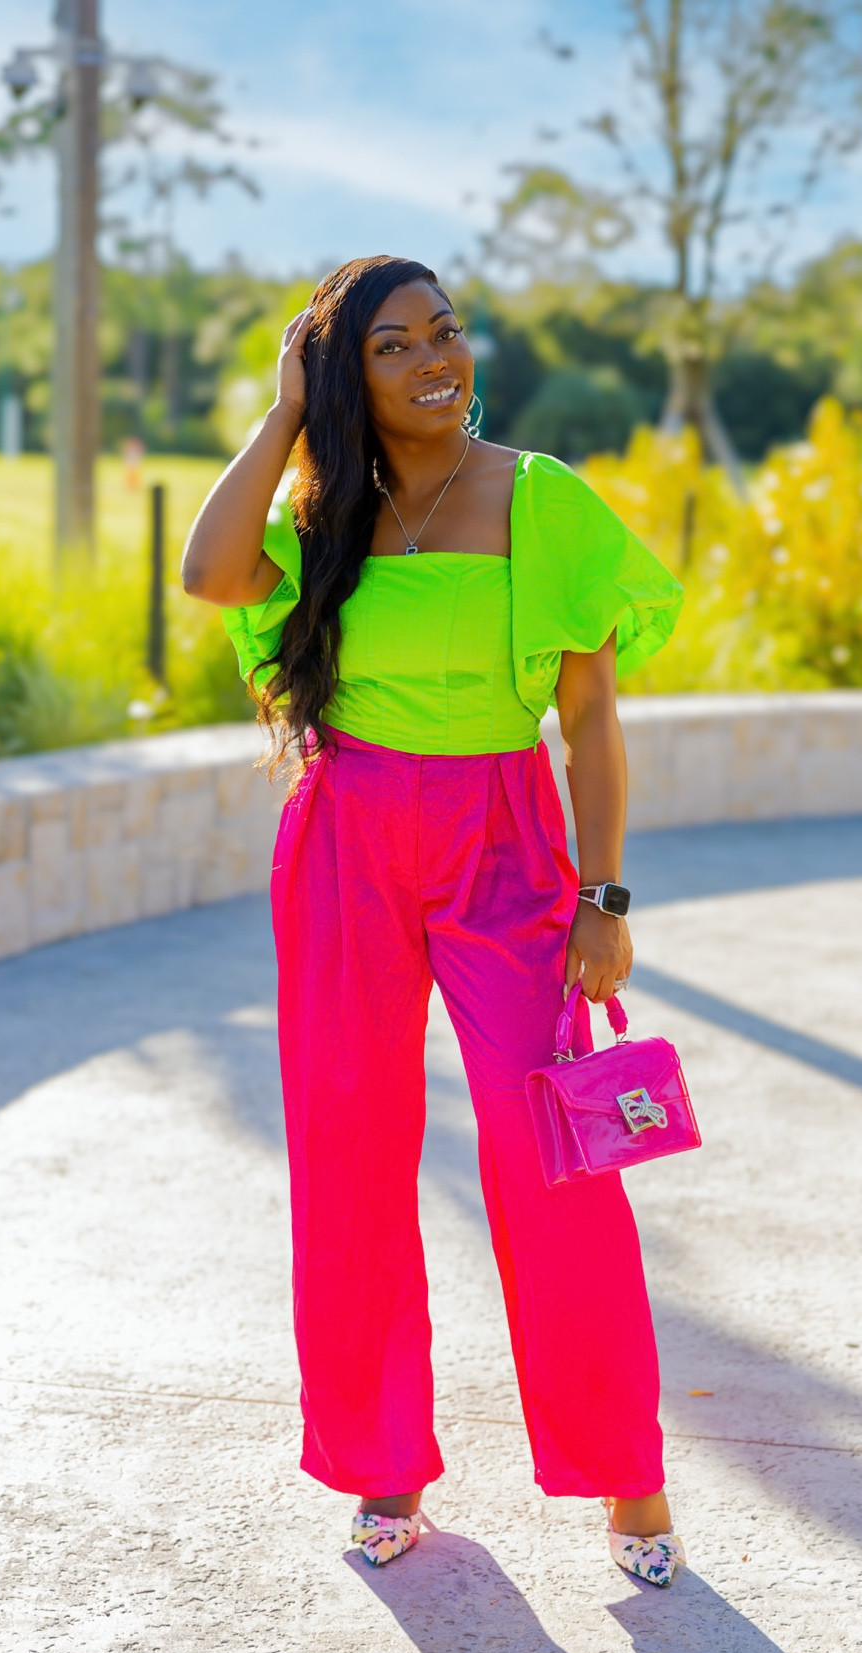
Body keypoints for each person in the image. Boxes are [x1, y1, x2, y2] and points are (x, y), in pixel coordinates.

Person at [182, 255, 687, 1585]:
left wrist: (605, 895)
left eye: (446, 333)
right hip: (345, 839)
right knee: (348, 1153)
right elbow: (208, 569)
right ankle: (382, 1461)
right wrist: (287, 411)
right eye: (393, 345)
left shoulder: (540, 498)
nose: (434, 359)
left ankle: (625, 1474)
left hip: (506, 846)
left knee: (553, 1161)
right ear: (345, 375)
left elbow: (588, 717)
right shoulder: (322, 515)